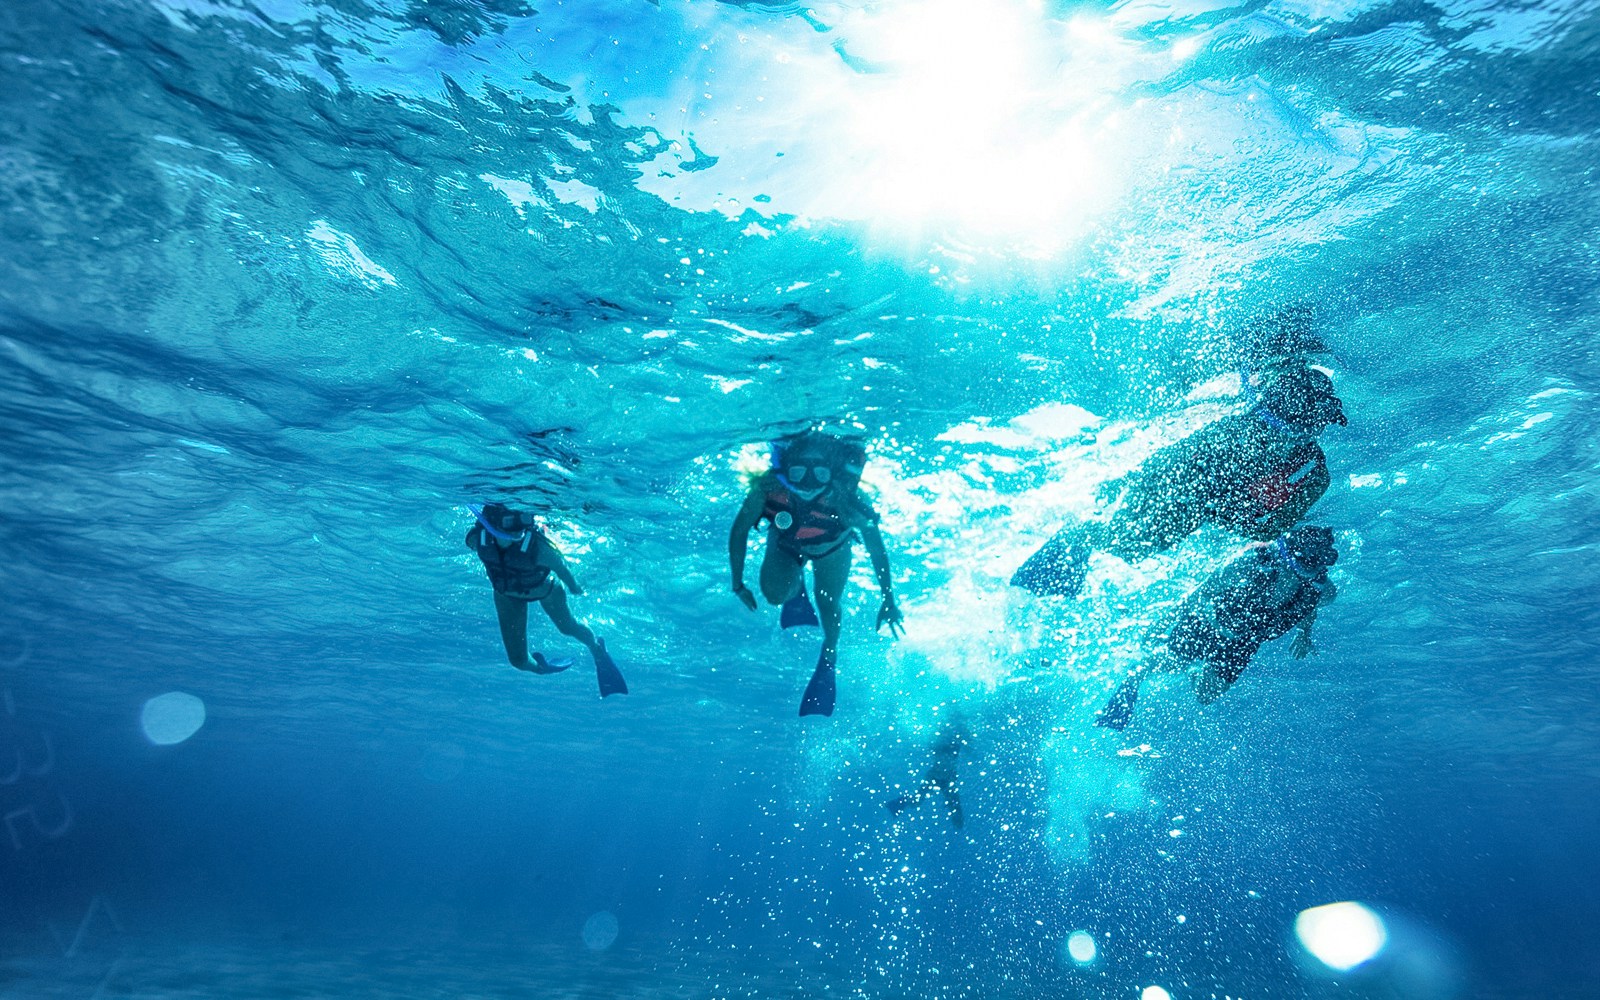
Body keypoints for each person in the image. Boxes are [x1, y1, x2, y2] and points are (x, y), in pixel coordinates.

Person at [1012, 366, 1347, 598]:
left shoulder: (1308, 468)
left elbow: (1265, 528)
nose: (1279, 427)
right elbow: (1181, 456)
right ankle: (1072, 542)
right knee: (1131, 545)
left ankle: (1074, 544)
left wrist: (1230, 511)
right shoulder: (1253, 435)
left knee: (1133, 547)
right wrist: (1131, 478)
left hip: (1195, 501)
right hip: (1186, 492)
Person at [727, 429, 904, 717]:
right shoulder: (767, 489)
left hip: (831, 550)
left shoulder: (848, 499)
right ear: (786, 469)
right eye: (799, 472)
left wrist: (888, 599)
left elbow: (877, 549)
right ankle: (795, 584)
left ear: (831, 472)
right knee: (773, 594)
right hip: (786, 544)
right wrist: (737, 583)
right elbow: (739, 531)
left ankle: (829, 656)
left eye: (819, 474)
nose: (809, 483)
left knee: (828, 603)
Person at [1094, 524, 1339, 730]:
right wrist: (1161, 625)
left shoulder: (1321, 588)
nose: (1294, 576)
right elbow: (1199, 591)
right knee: (1156, 665)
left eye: (1309, 570)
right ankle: (1130, 685)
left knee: (1206, 696)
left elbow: (1309, 606)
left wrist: (1304, 632)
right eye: (1294, 567)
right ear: (1286, 553)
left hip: (1243, 642)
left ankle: (1191, 670)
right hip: (1208, 623)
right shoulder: (1253, 560)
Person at [466, 503, 627, 698]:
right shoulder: (480, 539)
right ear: (493, 524)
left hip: (546, 590)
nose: (519, 532)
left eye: (523, 523)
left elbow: (567, 576)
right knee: (518, 661)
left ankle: (596, 649)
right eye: (511, 524)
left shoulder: (540, 548)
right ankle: (541, 668)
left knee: (568, 627)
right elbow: (473, 541)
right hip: (506, 595)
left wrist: (577, 589)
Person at [885, 718, 969, 829]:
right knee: (920, 802)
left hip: (942, 777)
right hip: (939, 777)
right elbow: (938, 750)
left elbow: (937, 750)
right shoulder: (948, 743)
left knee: (921, 801)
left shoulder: (948, 743)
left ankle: (958, 822)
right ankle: (958, 822)